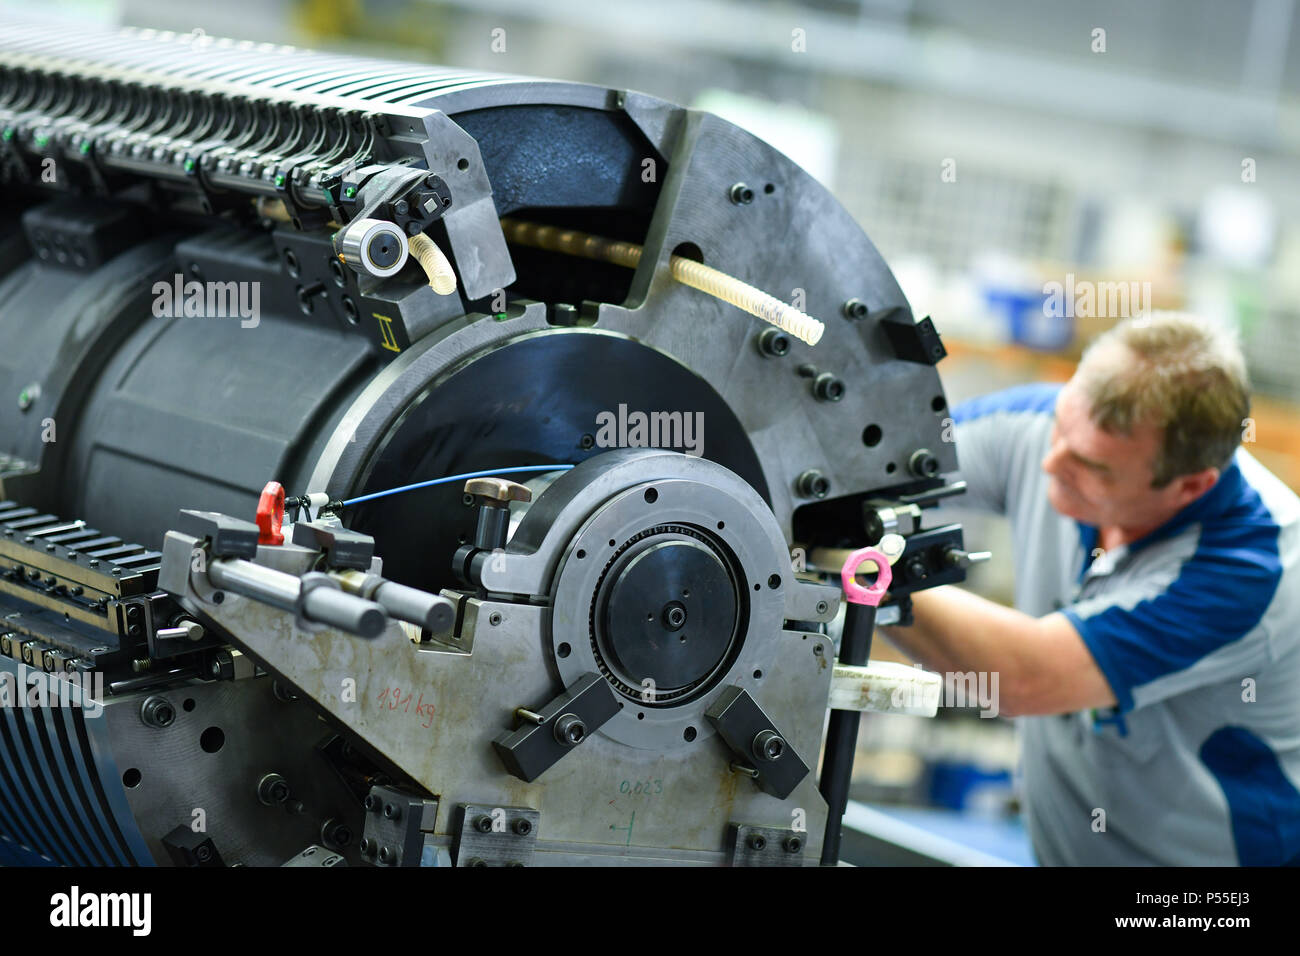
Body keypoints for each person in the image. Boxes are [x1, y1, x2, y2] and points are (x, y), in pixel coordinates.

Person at [880, 311, 1300, 865]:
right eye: (1059, 427)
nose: (1050, 461)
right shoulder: (1051, 430)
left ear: (1190, 485)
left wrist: (863, 572)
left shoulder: (1255, 568)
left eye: (1091, 466)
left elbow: (1025, 676)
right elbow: (872, 475)